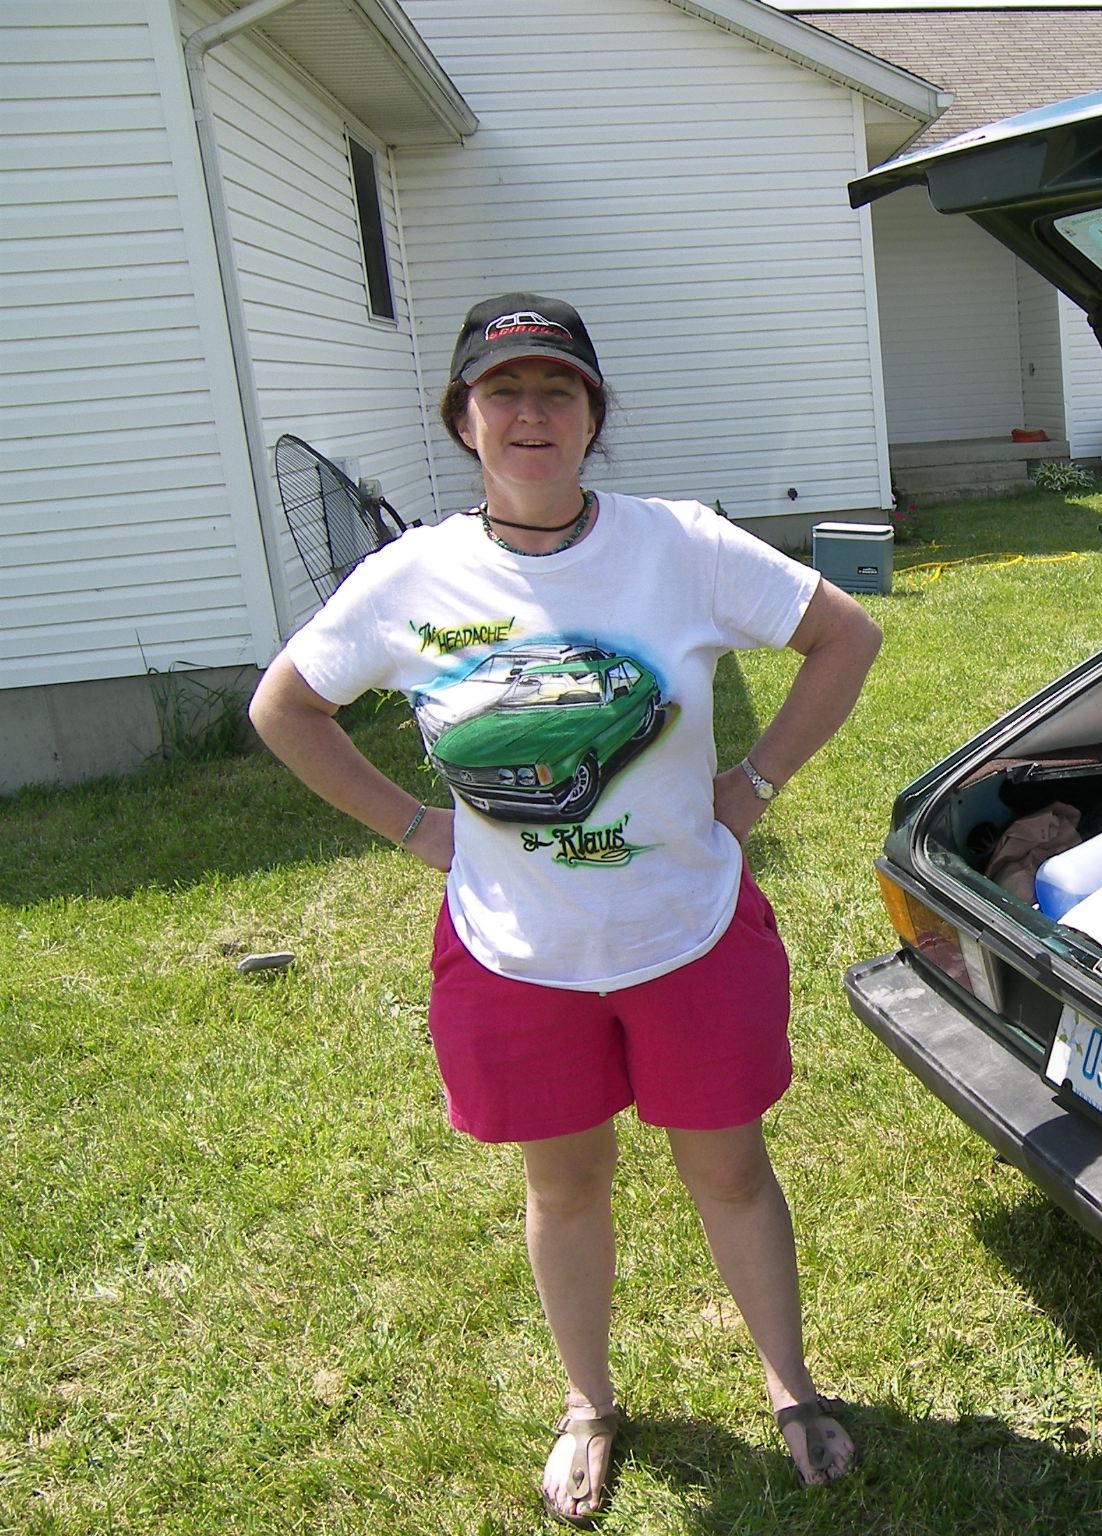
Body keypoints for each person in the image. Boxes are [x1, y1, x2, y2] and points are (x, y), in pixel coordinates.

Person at [248, 293, 883, 1523]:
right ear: (464, 420)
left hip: (684, 933)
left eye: (557, 390)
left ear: (593, 417)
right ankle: (589, 1402)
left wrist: (750, 787)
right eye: (504, 391)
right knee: (563, 1187)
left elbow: (842, 636)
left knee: (731, 1173)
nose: (529, 412)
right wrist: (415, 828)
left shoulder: (681, 545)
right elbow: (286, 707)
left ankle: (790, 1386)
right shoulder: (411, 577)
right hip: (516, 952)